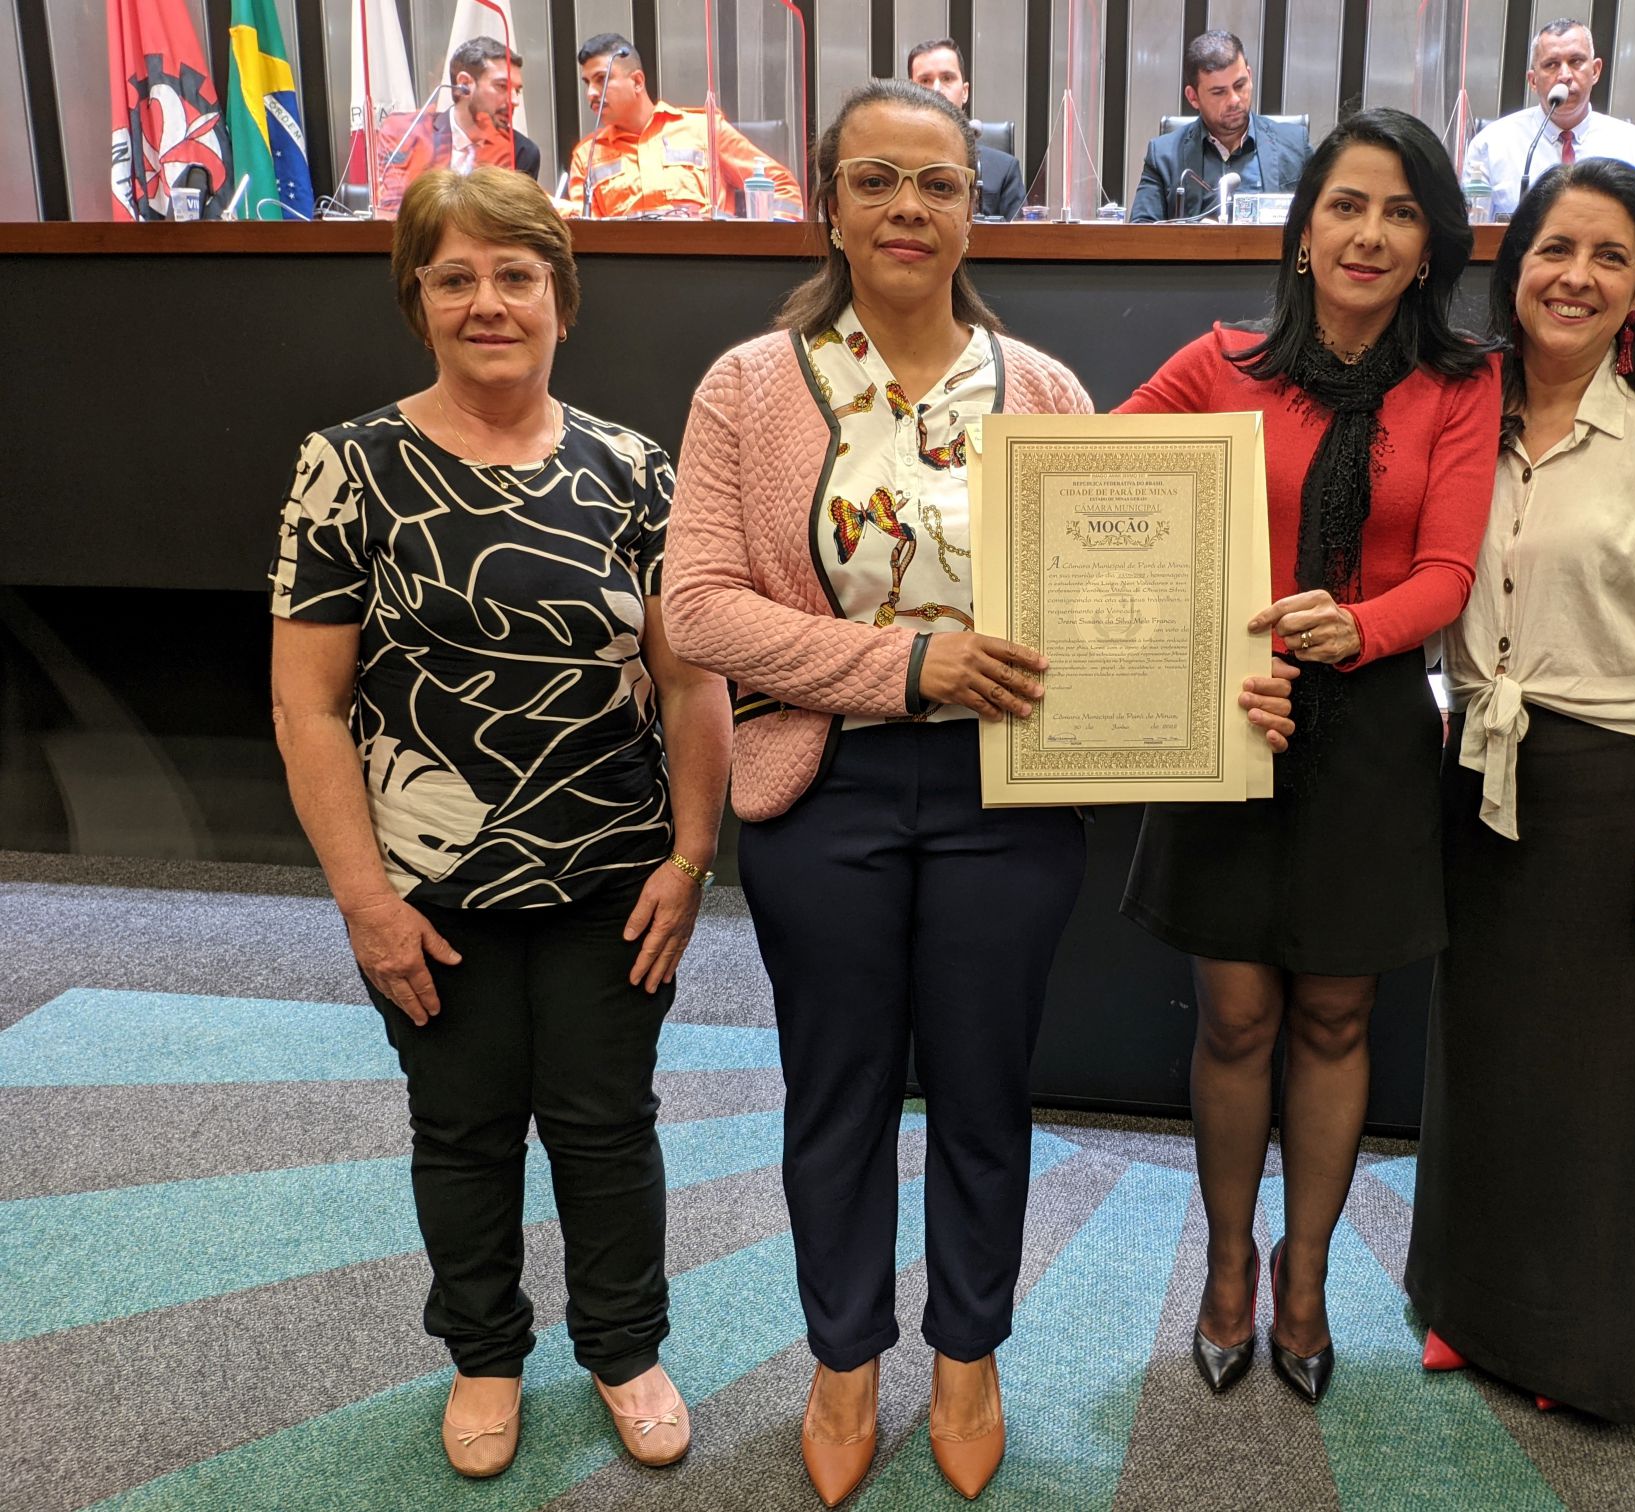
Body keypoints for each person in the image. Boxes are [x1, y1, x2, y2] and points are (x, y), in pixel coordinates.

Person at [661, 81, 1090, 1506]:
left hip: (1008, 794)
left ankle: (968, 1356)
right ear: (828, 207)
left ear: (976, 211)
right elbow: (700, 610)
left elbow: (1110, 607)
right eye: (877, 181)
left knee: (982, 1090)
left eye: (939, 184)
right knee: (835, 1093)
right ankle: (843, 1359)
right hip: (823, 780)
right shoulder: (748, 386)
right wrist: (909, 665)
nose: (910, 208)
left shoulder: (1044, 390)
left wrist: (1214, 683)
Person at [269, 166, 731, 1479]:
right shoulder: (347, 468)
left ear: (560, 301)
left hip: (614, 877)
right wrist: (365, 902)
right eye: (455, 277)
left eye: (516, 276)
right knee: (463, 1129)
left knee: (605, 1123)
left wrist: (694, 858)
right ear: (416, 300)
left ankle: (625, 1349)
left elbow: (695, 683)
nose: (489, 302)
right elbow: (309, 707)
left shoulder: (635, 469)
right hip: (424, 890)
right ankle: (483, 1355)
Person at [1117, 108, 1498, 1405]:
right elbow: (1093, 495)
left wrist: (1360, 627)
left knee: (1336, 1016)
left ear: (1430, 245)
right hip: (1231, 716)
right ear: (1301, 230)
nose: (1370, 233)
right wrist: (1198, 644)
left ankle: (1306, 1273)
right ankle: (1227, 1266)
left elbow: (1447, 570)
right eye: (1346, 204)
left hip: (1373, 728)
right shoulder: (1217, 363)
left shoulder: (1458, 382)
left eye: (1401, 212)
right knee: (1234, 1018)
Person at [1406, 157, 1635, 1425]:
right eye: (1555, 249)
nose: (1576, 276)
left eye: (1610, 256)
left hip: (1618, 790)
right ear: (1513, 267)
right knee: (1485, 1056)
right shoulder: (1461, 402)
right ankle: (1470, 1306)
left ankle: (1584, 1345)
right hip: (1478, 775)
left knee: (1608, 1079)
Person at [561, 32, 805, 219]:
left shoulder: (704, 129)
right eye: (587, 83)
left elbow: (781, 185)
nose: (591, 93)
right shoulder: (588, 155)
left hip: (710, 261)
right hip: (627, 267)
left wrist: (764, 248)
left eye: (602, 80)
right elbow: (588, 233)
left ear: (637, 82)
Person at [1462, 18, 1635, 220]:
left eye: (1576, 61)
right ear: (1533, 80)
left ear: (1595, 71)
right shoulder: (1490, 145)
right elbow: (1474, 230)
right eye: (1551, 64)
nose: (1565, 75)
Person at [1128, 31, 1311, 221]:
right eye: (1219, 92)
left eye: (1239, 85)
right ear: (1193, 97)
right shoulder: (1163, 156)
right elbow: (1142, 229)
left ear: (1249, 76)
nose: (1234, 100)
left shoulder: (1295, 145)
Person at [375, 37, 539, 217]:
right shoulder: (406, 134)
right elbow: (391, 213)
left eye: (517, 91)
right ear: (464, 84)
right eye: (502, 86)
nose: (515, 100)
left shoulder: (521, 151)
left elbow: (513, 223)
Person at [907, 37, 1025, 220]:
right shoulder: (890, 164)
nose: (936, 89)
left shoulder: (1004, 170)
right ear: (910, 91)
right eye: (925, 80)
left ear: (964, 92)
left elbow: (1022, 236)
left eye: (947, 78)